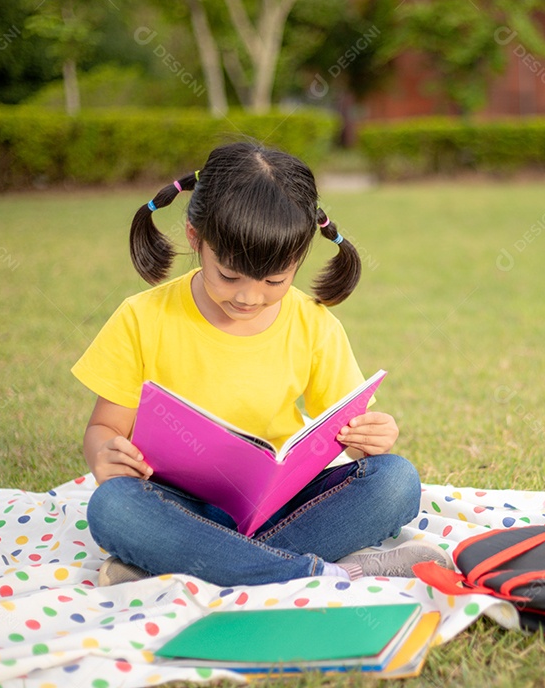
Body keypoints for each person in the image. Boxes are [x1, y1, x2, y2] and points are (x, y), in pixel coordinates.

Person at [72, 141, 449, 587]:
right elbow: (104, 430)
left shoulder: (313, 323)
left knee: (395, 481)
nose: (248, 297)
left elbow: (345, 433)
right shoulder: (141, 317)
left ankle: (186, 563)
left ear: (300, 258)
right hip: (177, 503)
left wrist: (369, 438)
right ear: (196, 239)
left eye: (274, 281)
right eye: (229, 276)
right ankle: (321, 571)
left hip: (282, 503)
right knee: (113, 507)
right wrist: (104, 454)